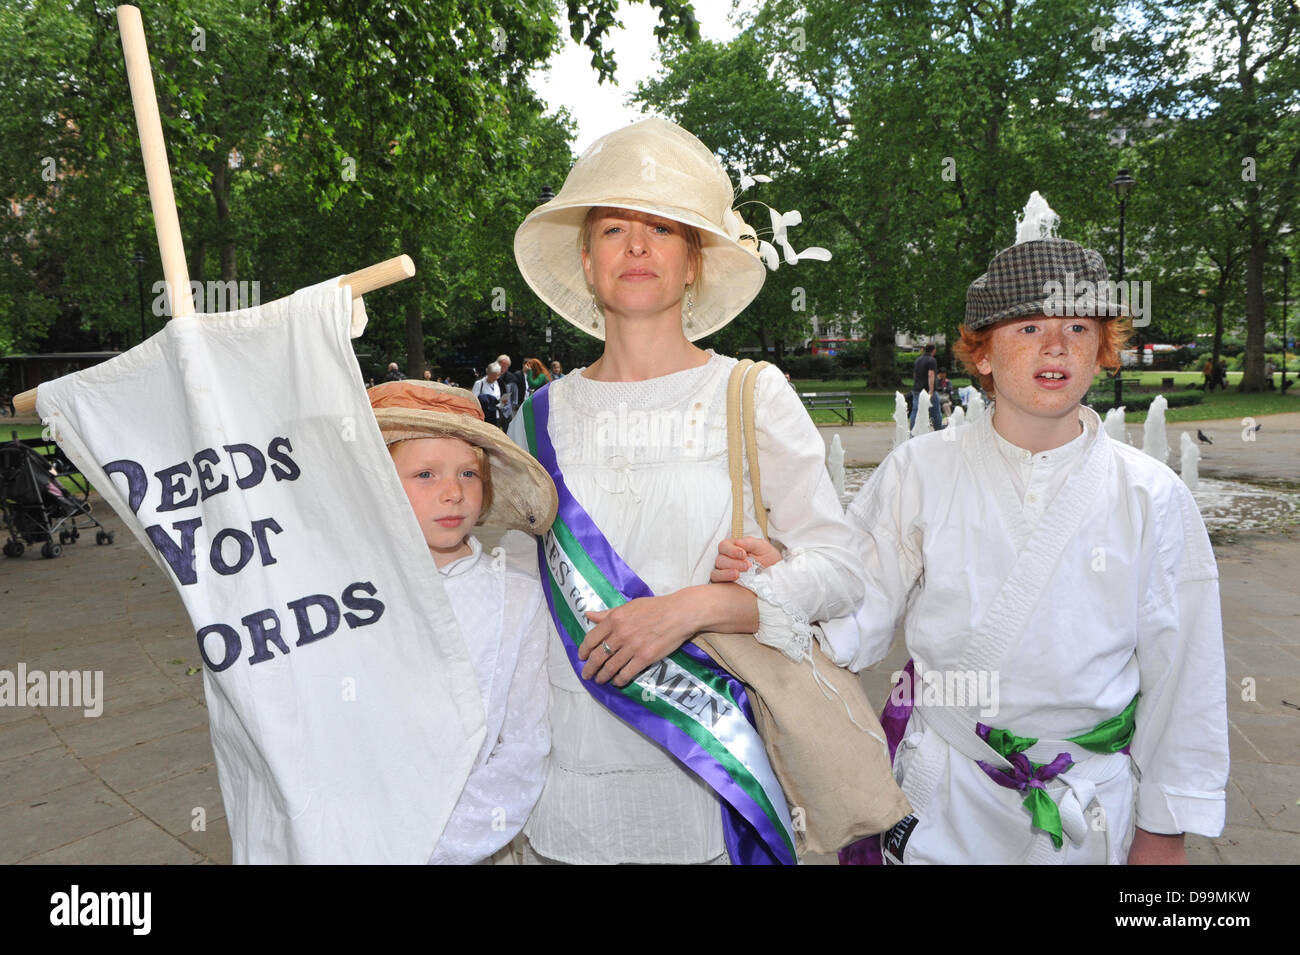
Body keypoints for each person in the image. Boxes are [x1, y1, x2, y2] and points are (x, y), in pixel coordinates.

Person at [717, 233, 1229, 865]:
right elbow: (856, 612)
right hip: (945, 792)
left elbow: (1186, 671)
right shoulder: (919, 471)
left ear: (1103, 351)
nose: (1055, 345)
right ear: (982, 355)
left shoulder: (1153, 495)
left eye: (1077, 325)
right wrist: (792, 581)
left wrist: (1166, 827)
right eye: (1028, 326)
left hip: (1091, 803)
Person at [506, 117, 865, 865]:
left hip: (714, 790)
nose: (637, 246)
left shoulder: (750, 394)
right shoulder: (536, 417)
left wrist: (699, 606)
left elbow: (840, 568)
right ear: (587, 256)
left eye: (663, 229)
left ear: (694, 261)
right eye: (613, 228)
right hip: (571, 799)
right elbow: (514, 606)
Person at [368, 378, 558, 864]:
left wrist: (440, 848)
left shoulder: (516, 598)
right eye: (426, 474)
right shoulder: (335, 601)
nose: (452, 493)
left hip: (467, 846)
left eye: (469, 475)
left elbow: (523, 743)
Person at [908, 344, 942, 431]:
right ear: (933, 350)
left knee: (915, 410)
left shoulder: (918, 360)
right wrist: (931, 390)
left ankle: (913, 430)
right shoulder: (932, 360)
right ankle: (938, 429)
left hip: (917, 389)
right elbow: (931, 374)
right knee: (935, 411)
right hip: (927, 390)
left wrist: (916, 384)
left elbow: (914, 375)